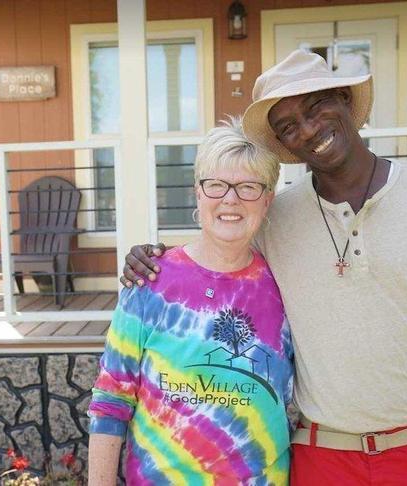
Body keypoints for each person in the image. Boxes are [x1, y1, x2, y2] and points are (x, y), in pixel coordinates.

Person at [120, 50, 407, 485]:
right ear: (285, 145)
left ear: (345, 101)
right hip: (324, 458)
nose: (309, 129)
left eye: (316, 107)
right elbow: (215, 255)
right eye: (288, 127)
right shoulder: (273, 220)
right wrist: (157, 259)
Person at [88, 119, 294, 485]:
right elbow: (111, 400)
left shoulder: (285, 286)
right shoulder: (150, 281)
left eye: (248, 187)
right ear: (198, 193)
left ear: (268, 199)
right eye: (216, 184)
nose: (230, 199)